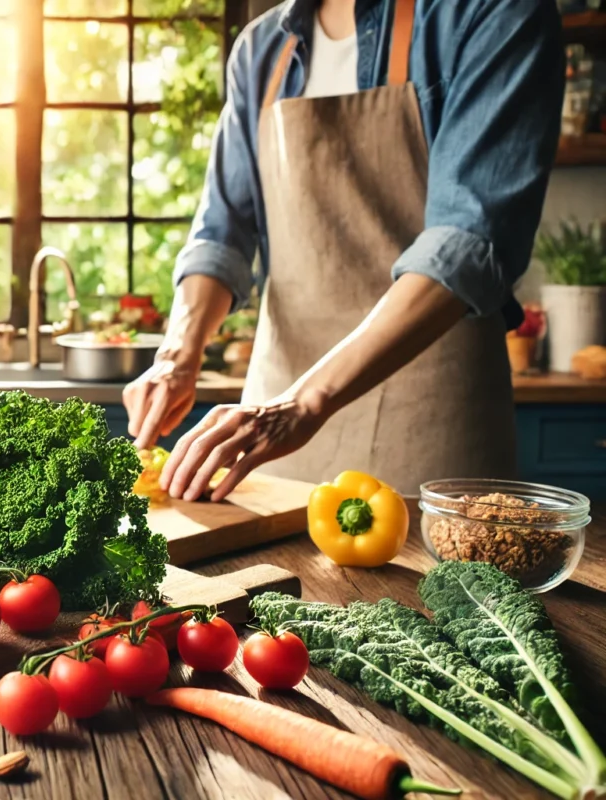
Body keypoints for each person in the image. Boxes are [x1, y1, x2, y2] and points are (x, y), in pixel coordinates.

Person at [123, 0, 564, 501]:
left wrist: (303, 404)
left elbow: (465, 244)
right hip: (271, 436)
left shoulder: (495, 13)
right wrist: (176, 356)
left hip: (432, 428)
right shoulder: (261, 50)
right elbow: (222, 234)